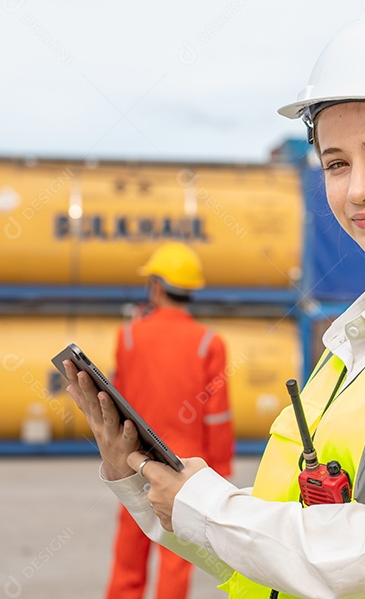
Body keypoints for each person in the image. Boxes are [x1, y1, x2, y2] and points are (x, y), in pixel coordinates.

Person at [65, 11, 365, 599]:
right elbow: (282, 557)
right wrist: (143, 482)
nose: (357, 190)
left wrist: (209, 506)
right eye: (337, 163)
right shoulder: (360, 344)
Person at [103, 242, 234, 599]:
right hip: (184, 470)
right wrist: (219, 472)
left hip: (136, 463)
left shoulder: (129, 336)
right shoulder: (209, 343)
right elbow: (218, 416)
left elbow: (116, 405)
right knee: (176, 558)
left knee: (128, 555)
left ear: (157, 287)